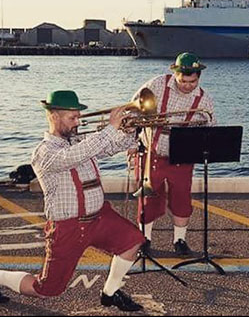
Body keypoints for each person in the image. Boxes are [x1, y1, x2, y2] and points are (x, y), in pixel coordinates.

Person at [0, 90, 145, 311]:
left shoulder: (79, 140)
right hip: (68, 226)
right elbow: (75, 156)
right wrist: (110, 128)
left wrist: (130, 132)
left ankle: (110, 293)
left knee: (133, 241)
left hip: (99, 217)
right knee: (46, 290)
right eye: (73, 118)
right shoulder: (44, 152)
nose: (78, 122)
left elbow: (110, 147)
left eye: (79, 116)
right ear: (54, 116)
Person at [132, 52, 216, 255]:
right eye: (183, 80)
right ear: (175, 73)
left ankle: (180, 240)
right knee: (147, 199)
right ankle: (145, 239)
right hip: (152, 150)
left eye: (192, 81)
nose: (188, 85)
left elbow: (211, 127)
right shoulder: (157, 84)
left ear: (198, 77)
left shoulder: (204, 99)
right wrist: (133, 140)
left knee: (181, 199)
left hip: (183, 154)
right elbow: (134, 108)